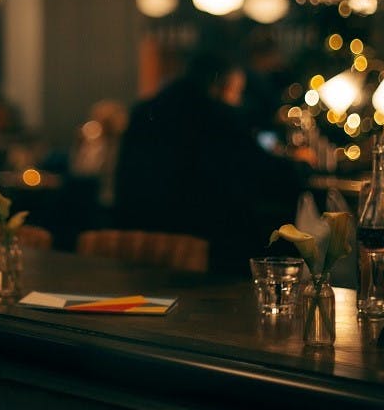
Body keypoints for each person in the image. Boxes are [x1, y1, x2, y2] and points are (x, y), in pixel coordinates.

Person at [113, 50, 311, 277]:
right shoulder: (218, 116)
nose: (237, 99)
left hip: (136, 238)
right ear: (220, 85)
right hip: (202, 245)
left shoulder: (146, 109)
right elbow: (265, 173)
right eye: (236, 91)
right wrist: (299, 165)